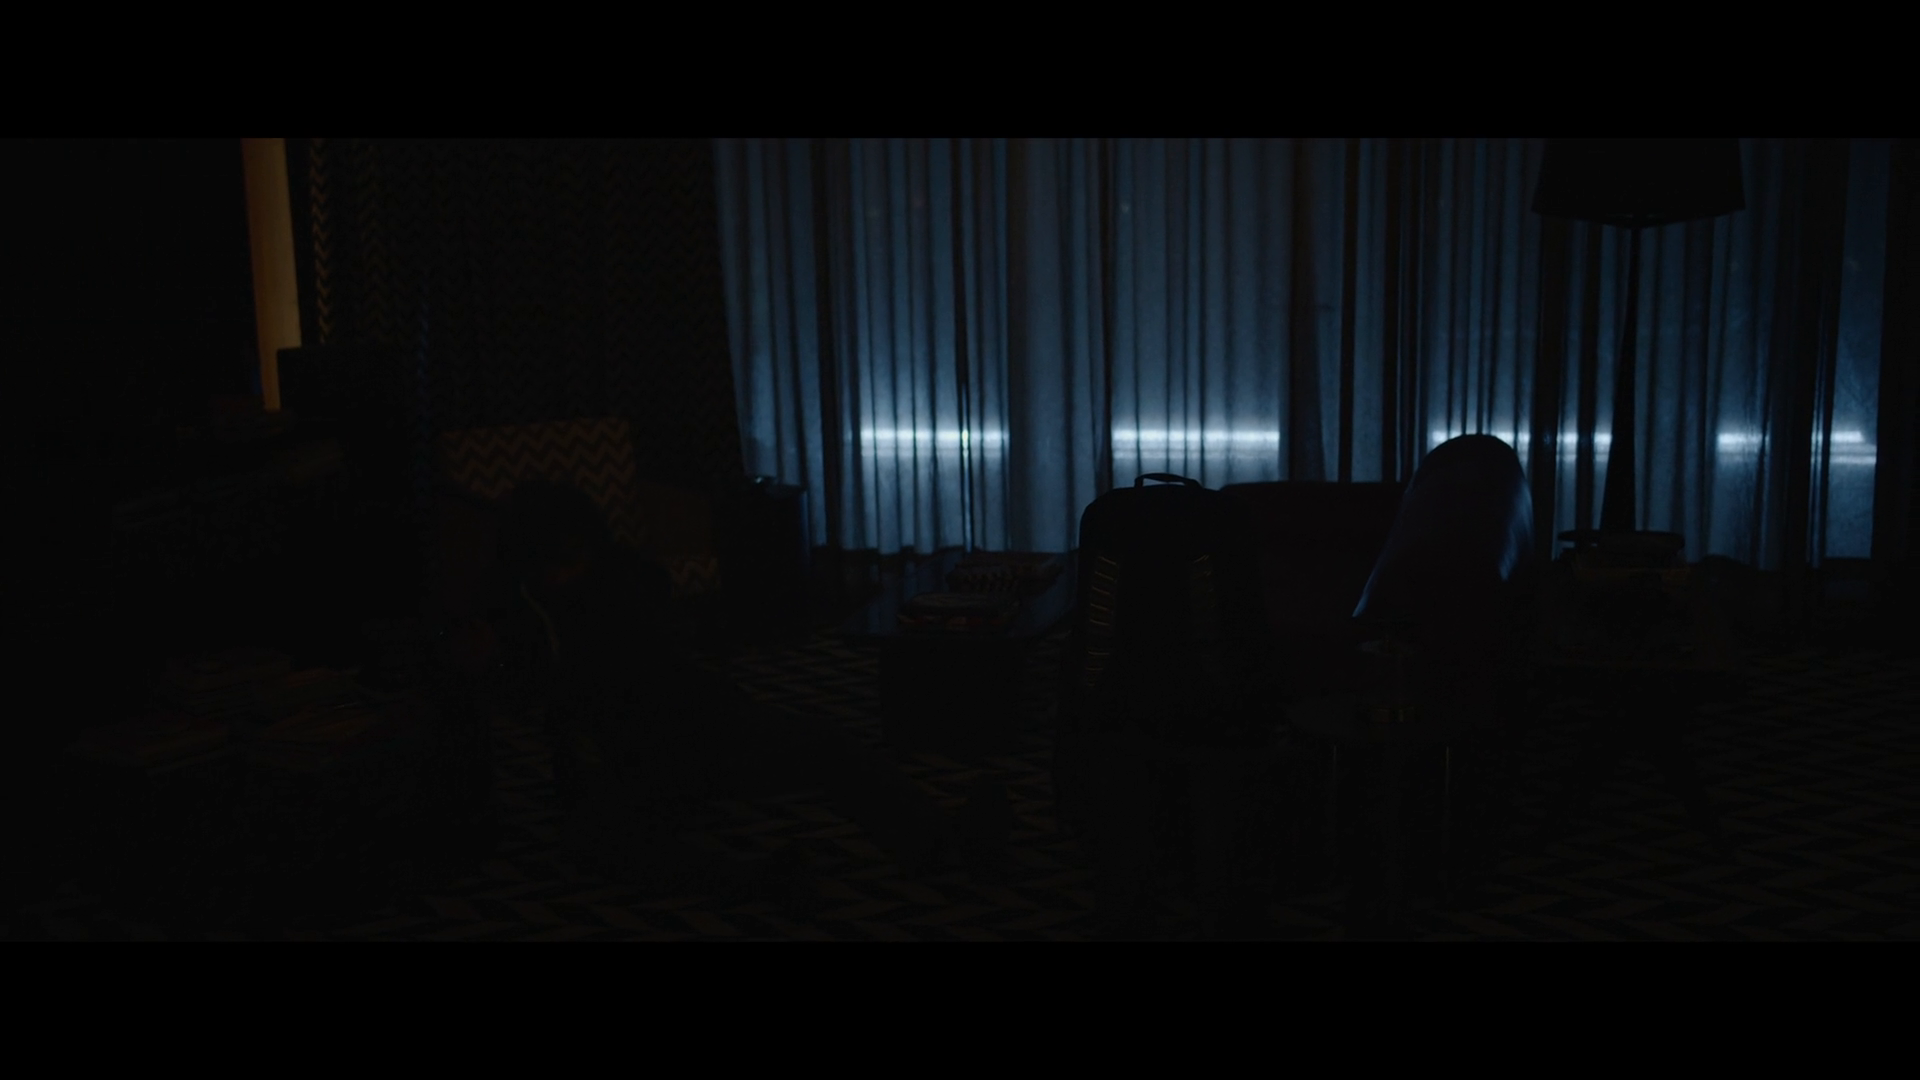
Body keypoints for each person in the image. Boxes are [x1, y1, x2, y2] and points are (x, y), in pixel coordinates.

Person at [472, 479, 990, 896]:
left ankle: (935, 842)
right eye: (554, 563)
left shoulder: (616, 582)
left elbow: (655, 601)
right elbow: (526, 698)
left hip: (698, 720)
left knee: (827, 746)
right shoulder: (525, 616)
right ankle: (755, 882)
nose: (564, 573)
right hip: (625, 754)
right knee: (606, 843)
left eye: (574, 557)